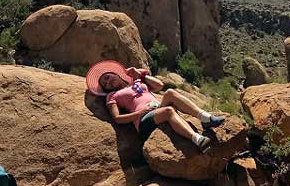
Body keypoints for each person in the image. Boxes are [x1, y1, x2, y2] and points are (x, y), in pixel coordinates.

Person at [86, 60, 225, 152]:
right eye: (105, 84)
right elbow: (117, 118)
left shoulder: (136, 81)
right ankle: (197, 139)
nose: (108, 82)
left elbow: (159, 86)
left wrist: (140, 74)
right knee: (169, 111)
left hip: (156, 108)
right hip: (143, 120)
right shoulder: (112, 96)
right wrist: (140, 113)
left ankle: (205, 118)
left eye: (108, 77)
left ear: (115, 73)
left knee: (170, 92)